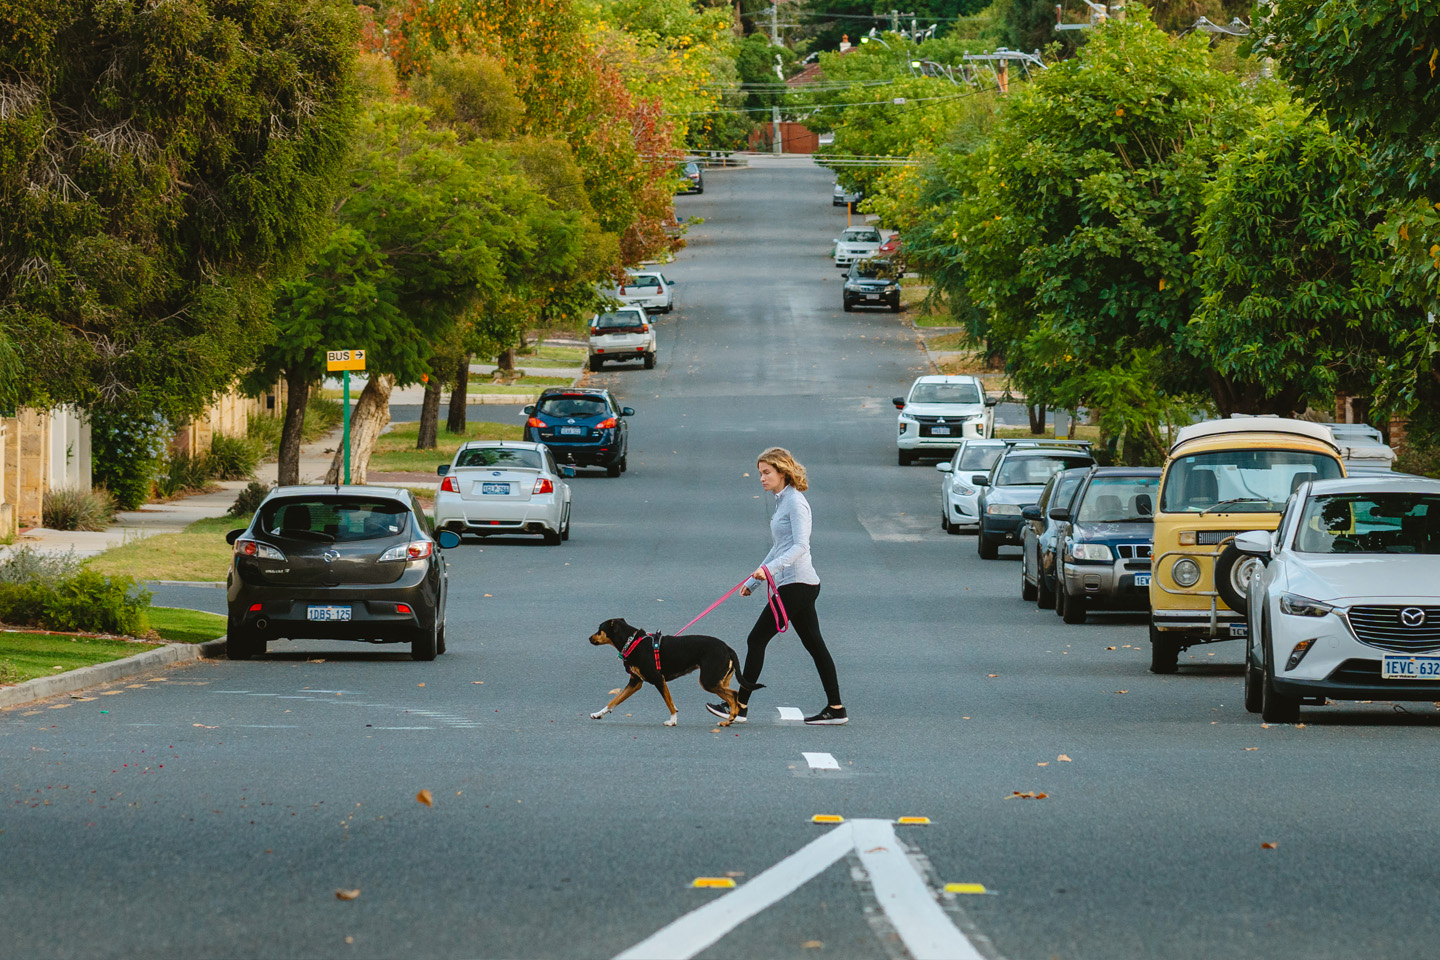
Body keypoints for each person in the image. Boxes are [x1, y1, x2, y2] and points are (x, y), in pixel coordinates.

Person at [707, 447, 847, 725]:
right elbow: (779, 546)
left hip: (797, 584)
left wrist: (768, 570)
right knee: (816, 647)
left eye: (766, 472)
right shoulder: (783, 501)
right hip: (798, 584)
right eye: (760, 473)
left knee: (756, 640)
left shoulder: (795, 503)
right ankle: (836, 709)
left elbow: (800, 546)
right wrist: (753, 581)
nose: (761, 478)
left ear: (783, 472)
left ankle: (739, 707)